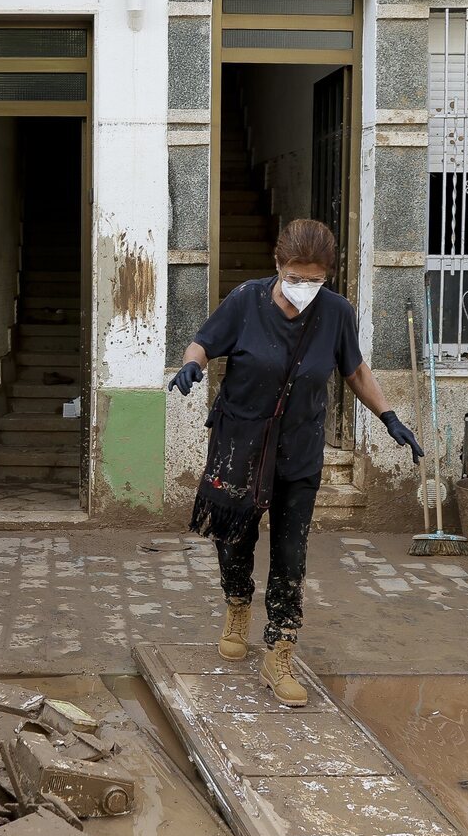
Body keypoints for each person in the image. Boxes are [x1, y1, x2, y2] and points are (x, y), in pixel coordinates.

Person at [167, 219, 423, 707]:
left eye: (315, 279)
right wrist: (192, 364)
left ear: (328, 275)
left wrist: (391, 418)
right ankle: (238, 605)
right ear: (278, 266)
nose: (304, 287)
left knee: (291, 555)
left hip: (298, 452)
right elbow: (203, 341)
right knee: (234, 538)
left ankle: (279, 651)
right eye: (296, 276)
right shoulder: (246, 300)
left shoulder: (336, 313)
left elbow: (356, 370)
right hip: (240, 444)